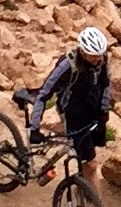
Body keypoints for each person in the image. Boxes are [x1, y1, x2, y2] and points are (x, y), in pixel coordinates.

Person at [24, 26, 114, 161]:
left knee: (90, 154)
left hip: (93, 111)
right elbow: (43, 95)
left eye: (100, 55)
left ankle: (82, 180)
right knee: (89, 161)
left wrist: (104, 110)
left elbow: (105, 83)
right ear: (83, 52)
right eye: (94, 56)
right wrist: (35, 128)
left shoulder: (101, 59)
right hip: (72, 114)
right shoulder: (66, 66)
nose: (99, 59)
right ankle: (81, 181)